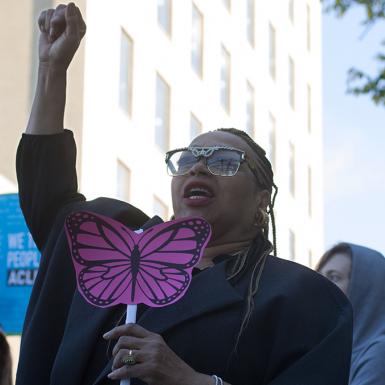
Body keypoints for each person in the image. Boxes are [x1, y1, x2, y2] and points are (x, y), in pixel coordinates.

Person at [16, 3, 353, 385]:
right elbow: (49, 197)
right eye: (188, 158)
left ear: (262, 200)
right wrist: (51, 69)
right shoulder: (121, 241)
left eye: (224, 160)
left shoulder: (302, 298)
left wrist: (192, 380)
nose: (197, 167)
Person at [317, 243, 385, 385]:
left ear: (365, 289)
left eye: (334, 277)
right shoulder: (338, 350)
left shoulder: (379, 352)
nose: (319, 285)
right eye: (318, 277)